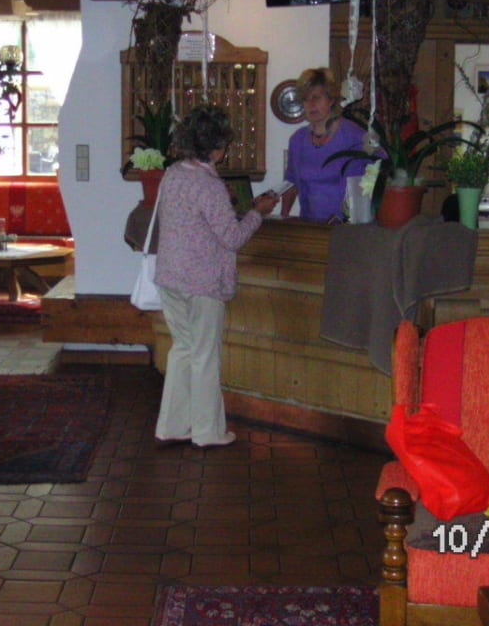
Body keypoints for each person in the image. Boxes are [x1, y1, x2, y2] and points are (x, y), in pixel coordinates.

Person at [153, 105, 280, 448]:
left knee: (183, 350)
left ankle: (172, 425)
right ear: (218, 147)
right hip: (202, 282)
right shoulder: (209, 185)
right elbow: (233, 238)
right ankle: (208, 432)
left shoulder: (173, 174)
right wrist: (257, 213)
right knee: (205, 356)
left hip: (170, 276)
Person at [282, 67, 369, 222]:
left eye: (316, 97)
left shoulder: (354, 135)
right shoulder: (297, 140)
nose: (311, 104)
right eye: (306, 99)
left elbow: (381, 172)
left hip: (347, 228)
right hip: (310, 227)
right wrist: (284, 217)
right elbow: (291, 182)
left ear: (331, 100)